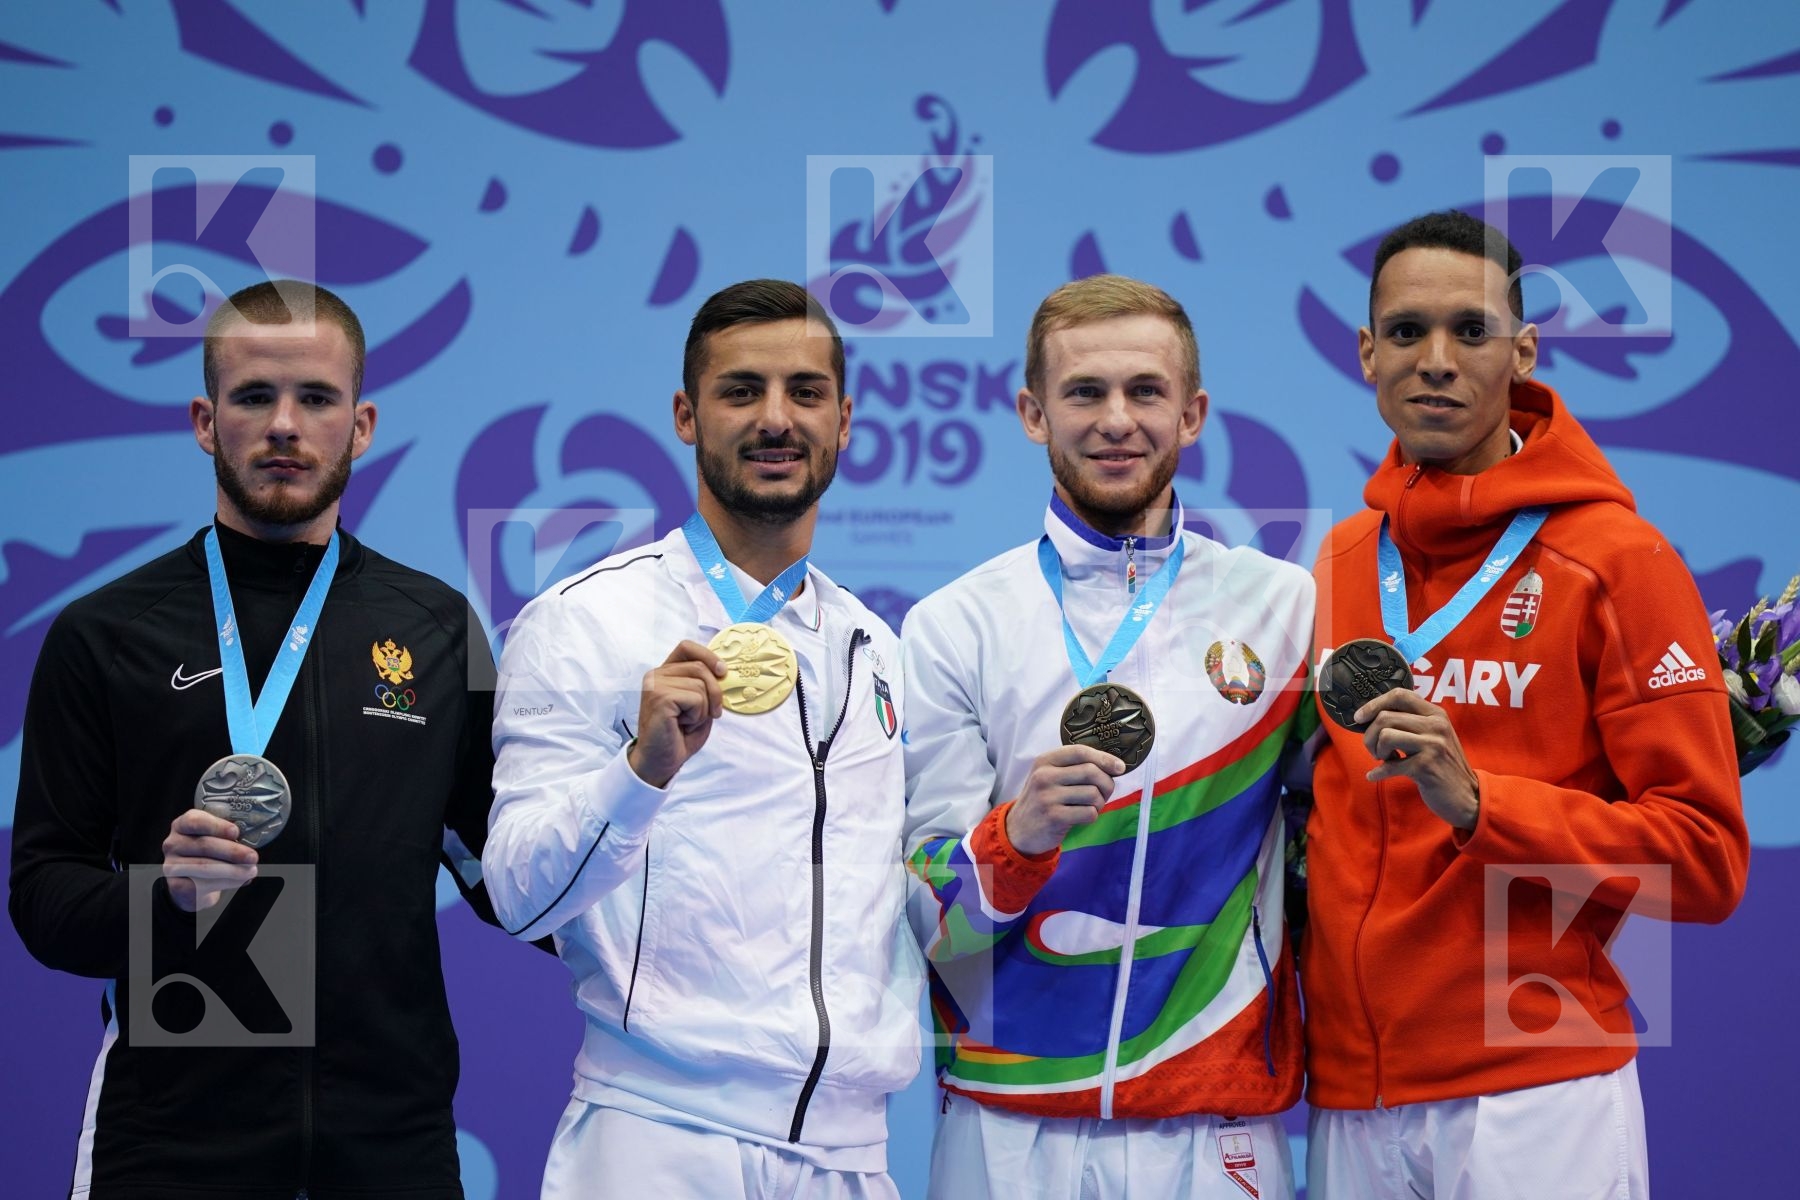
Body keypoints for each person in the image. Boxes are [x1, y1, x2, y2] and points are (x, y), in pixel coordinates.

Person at [9, 280, 502, 1197]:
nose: (285, 425)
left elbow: (505, 877)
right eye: (253, 397)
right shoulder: (107, 634)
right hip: (170, 1145)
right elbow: (43, 897)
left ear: (360, 426)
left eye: (315, 398)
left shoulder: (438, 629)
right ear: (205, 421)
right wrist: (168, 903)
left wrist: (638, 788)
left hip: (391, 1143)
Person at [1301, 209, 1750, 1199]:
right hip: (1352, 1089)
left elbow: (1706, 862)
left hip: (1535, 1085)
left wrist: (1483, 805)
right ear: (1366, 355)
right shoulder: (1335, 565)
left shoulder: (1613, 561)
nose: (1437, 360)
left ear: (1524, 351)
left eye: (1471, 330)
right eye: (1407, 332)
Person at [483, 279, 920, 1199]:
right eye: (740, 391)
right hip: (660, 1141)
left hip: (853, 1154)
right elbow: (518, 894)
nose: (776, 419)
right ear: (687, 415)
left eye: (805, 392)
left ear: (844, 420)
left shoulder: (875, 648)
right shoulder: (582, 620)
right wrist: (639, 773)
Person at [901, 274, 1313, 1200]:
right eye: (1084, 392)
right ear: (1032, 413)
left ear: (1193, 412)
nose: (1116, 420)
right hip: (1007, 1121)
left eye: (1146, 391)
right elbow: (929, 918)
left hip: (1212, 1118)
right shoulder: (954, 624)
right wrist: (1017, 838)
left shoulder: (1284, 608)